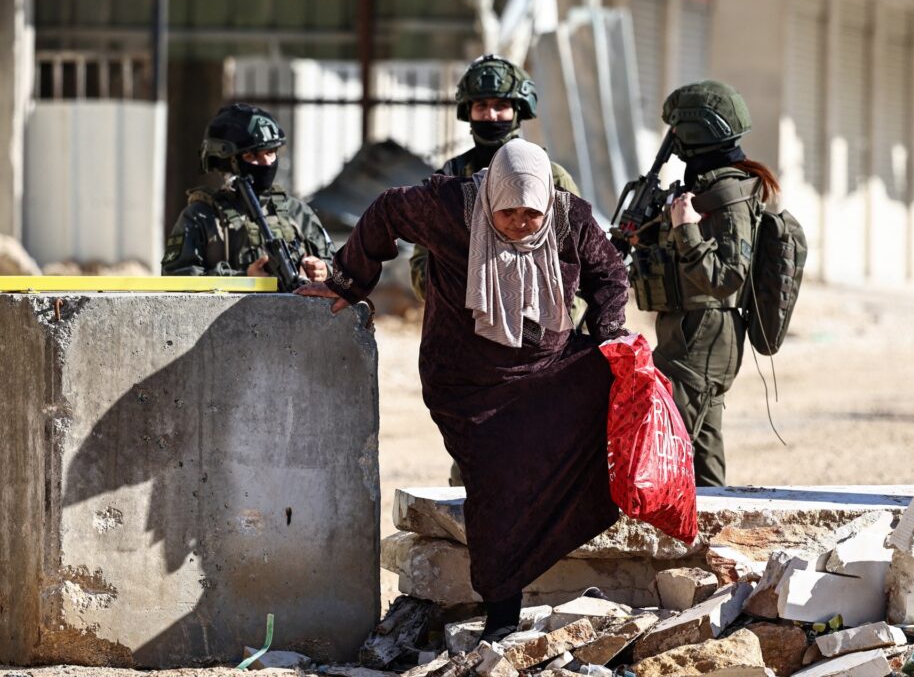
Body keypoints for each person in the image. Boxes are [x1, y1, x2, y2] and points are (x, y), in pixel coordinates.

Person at [298, 139, 629, 641]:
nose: (520, 223)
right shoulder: (450, 208)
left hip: (543, 371)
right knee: (496, 482)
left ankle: (570, 559)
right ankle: (502, 614)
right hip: (467, 383)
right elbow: (386, 210)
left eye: (531, 213)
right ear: (490, 197)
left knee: (618, 391)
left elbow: (610, 275)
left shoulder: (570, 218)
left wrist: (609, 334)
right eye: (508, 212)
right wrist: (350, 282)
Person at [649, 80, 780, 487]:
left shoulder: (727, 191)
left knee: (664, 442)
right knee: (701, 452)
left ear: (695, 130)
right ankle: (711, 520)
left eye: (677, 128)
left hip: (704, 333)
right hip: (687, 328)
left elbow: (726, 278)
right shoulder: (705, 185)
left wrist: (685, 230)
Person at [408, 54, 580, 300]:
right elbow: (421, 271)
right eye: (481, 106)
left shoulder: (552, 178)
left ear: (518, 111)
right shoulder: (449, 179)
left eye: (500, 106)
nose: (490, 115)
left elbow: (578, 263)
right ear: (469, 112)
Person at [162, 103, 334, 280]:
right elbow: (176, 276)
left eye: (270, 152)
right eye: (252, 156)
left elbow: (341, 272)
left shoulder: (296, 212)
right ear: (229, 162)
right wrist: (244, 278)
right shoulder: (201, 217)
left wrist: (325, 271)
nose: (266, 163)